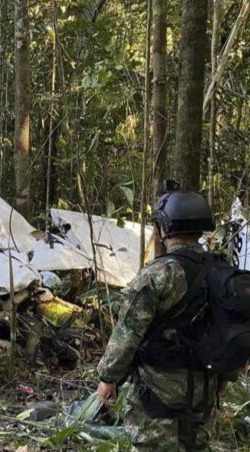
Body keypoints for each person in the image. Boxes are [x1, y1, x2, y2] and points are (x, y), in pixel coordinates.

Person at [96, 188, 222, 451]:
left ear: (165, 227)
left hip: (158, 391)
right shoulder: (222, 270)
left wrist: (108, 377)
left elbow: (127, 333)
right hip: (205, 390)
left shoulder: (159, 274)